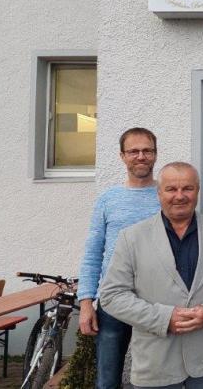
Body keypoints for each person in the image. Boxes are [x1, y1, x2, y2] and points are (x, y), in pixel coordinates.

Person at [100, 162, 203, 389]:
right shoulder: (132, 237)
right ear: (159, 193)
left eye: (187, 188)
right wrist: (163, 318)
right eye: (171, 189)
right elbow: (112, 295)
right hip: (155, 364)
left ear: (197, 191)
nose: (180, 196)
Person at [76, 127, 161, 389]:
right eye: (133, 151)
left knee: (157, 379)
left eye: (147, 150)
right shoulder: (108, 200)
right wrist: (86, 303)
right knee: (107, 380)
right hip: (113, 300)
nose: (141, 156)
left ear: (155, 154)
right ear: (122, 156)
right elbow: (93, 253)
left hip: (157, 301)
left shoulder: (168, 195)